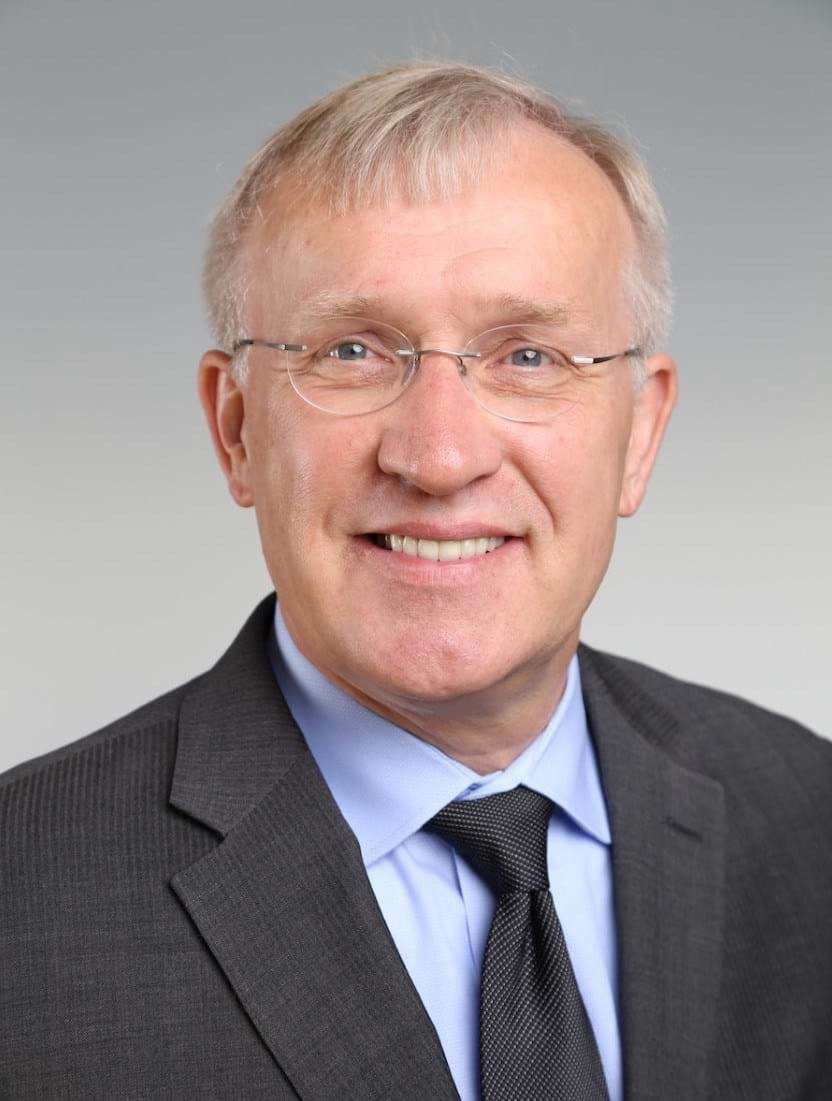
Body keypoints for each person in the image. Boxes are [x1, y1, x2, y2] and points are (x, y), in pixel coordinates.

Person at [1, 60, 830, 1101]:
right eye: (352, 350)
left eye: (527, 357)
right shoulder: (23, 905)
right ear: (237, 428)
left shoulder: (805, 819)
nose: (438, 457)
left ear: (639, 434)